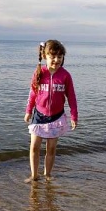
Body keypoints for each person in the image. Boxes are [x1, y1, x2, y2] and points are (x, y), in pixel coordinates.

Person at [24, 40, 78, 183]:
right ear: (45, 56)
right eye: (53, 56)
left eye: (59, 57)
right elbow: (32, 93)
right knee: (34, 147)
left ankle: (47, 175)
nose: (56, 60)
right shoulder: (39, 73)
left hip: (56, 117)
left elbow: (71, 96)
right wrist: (28, 110)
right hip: (39, 116)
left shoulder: (65, 76)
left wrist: (74, 115)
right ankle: (34, 175)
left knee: (51, 149)